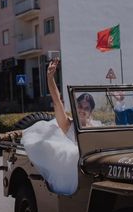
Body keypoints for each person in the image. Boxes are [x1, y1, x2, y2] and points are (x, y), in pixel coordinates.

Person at [21, 58, 98, 195]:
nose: (82, 110)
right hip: (71, 169)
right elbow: (57, 102)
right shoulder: (68, 124)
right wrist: (50, 77)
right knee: (74, 154)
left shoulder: (95, 126)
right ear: (75, 107)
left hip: (93, 168)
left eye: (86, 108)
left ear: (90, 112)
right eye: (80, 106)